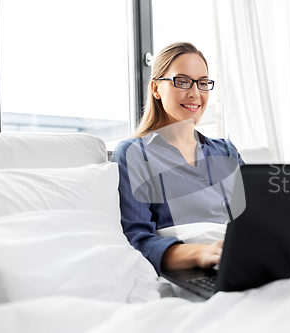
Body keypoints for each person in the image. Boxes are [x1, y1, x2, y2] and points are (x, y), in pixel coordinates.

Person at [111, 42, 244, 276]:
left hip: (245, 259)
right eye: (181, 81)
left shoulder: (226, 151)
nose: (195, 93)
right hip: (197, 269)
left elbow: (259, 218)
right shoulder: (134, 154)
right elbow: (137, 239)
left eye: (203, 83)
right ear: (155, 88)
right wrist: (201, 253)